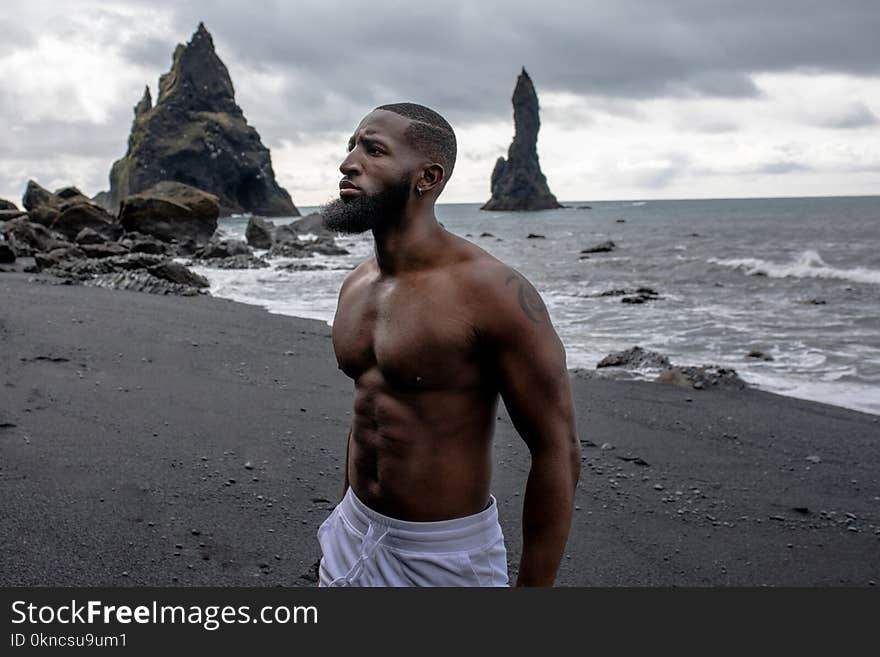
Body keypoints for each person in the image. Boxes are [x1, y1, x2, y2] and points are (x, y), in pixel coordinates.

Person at [317, 102, 580, 587]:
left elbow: (556, 449)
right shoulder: (356, 284)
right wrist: (343, 517)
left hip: (443, 556)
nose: (348, 163)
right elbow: (368, 413)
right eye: (351, 146)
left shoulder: (493, 294)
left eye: (373, 150)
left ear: (427, 177)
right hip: (351, 531)